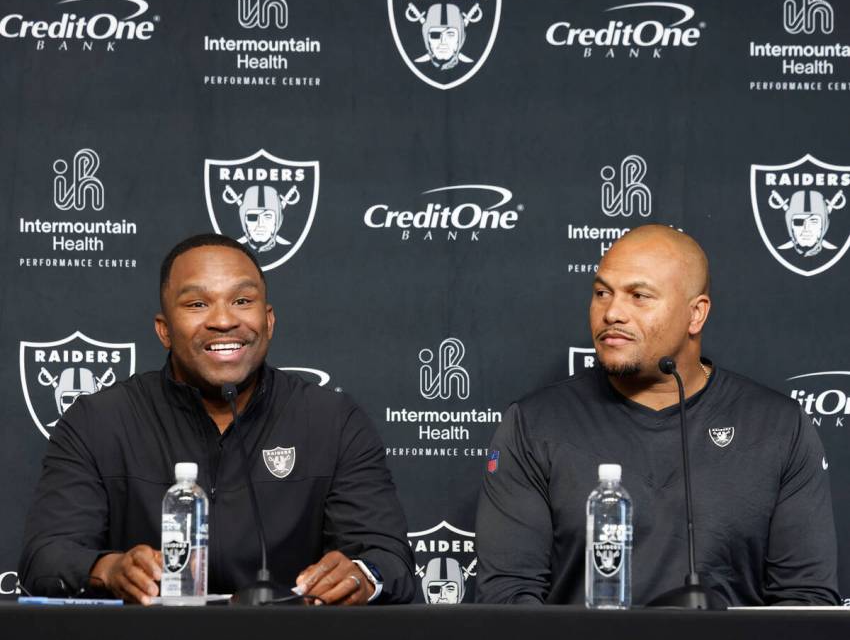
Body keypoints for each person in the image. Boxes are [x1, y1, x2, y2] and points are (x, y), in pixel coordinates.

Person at [18, 233, 415, 605]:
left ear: (269, 320)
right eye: (197, 304)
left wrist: (363, 574)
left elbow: (388, 558)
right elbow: (47, 556)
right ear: (164, 331)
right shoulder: (98, 421)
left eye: (242, 301)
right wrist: (109, 569)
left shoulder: (332, 421)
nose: (224, 321)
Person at [475, 224, 840, 606]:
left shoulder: (779, 427)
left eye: (639, 296)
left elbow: (805, 599)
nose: (612, 312)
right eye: (602, 293)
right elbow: (508, 598)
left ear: (696, 314)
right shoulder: (534, 425)